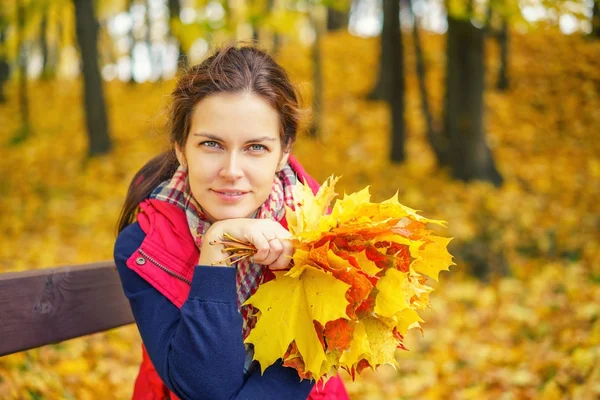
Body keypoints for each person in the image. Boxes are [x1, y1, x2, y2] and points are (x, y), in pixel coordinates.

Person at [114, 45, 349, 400]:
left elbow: (292, 378)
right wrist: (218, 246)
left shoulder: (327, 240)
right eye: (211, 144)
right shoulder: (143, 247)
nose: (231, 171)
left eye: (256, 147)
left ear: (284, 152)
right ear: (181, 147)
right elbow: (202, 387)